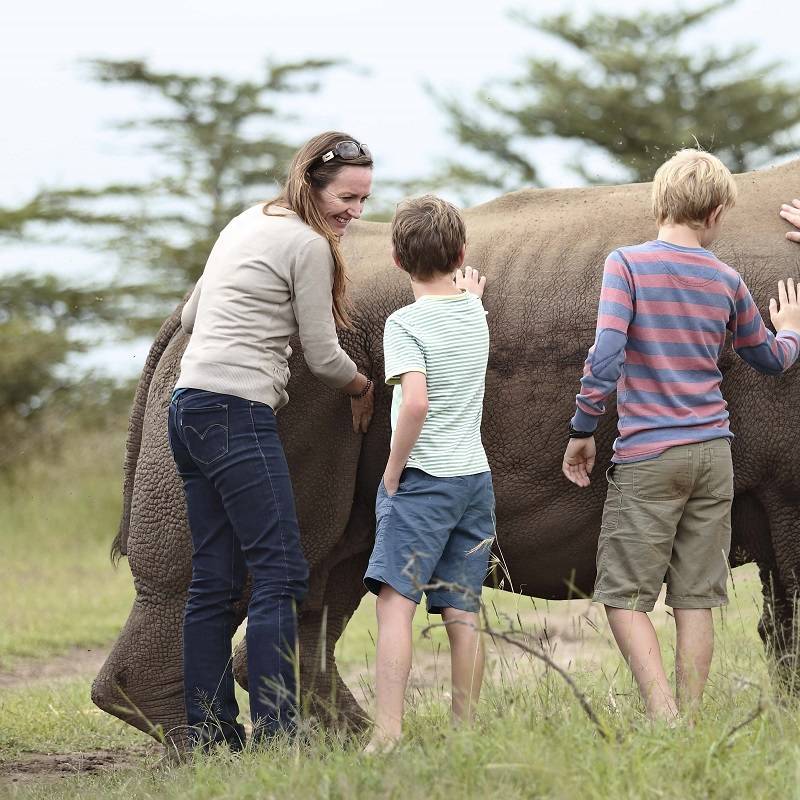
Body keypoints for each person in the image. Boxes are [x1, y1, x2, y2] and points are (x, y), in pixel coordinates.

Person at [562, 149, 800, 722]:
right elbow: (769, 359)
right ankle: (690, 718)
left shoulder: (626, 264)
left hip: (649, 454)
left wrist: (583, 427)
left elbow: (607, 354)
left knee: (622, 596)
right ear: (717, 213)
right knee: (696, 599)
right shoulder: (726, 278)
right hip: (714, 455)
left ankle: (664, 716)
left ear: (658, 202)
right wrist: (791, 330)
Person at [168, 132, 375, 749]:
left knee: (214, 581)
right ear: (310, 183)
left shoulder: (247, 221)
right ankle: (281, 732)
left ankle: (208, 733)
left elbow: (187, 318)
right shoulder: (307, 244)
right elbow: (322, 353)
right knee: (281, 573)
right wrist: (362, 385)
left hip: (190, 408)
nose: (355, 214)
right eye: (346, 198)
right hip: (236, 413)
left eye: (365, 201)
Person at [363, 195, 492, 752]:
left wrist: (393, 470)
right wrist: (470, 296)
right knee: (462, 609)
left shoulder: (403, 324)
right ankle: (464, 732)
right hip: (474, 480)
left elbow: (414, 404)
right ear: (462, 252)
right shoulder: (475, 312)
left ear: (395, 259)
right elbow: (465, 307)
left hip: (424, 480)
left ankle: (387, 734)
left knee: (395, 606)